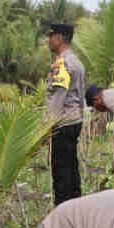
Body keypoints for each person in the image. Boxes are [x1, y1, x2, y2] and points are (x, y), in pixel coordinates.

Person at [44, 21, 85, 205]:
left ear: (59, 38)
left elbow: (58, 98)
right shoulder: (77, 62)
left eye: (51, 36)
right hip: (74, 120)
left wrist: (46, 127)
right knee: (71, 170)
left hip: (62, 123)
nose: (49, 40)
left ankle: (62, 211)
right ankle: (76, 207)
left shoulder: (63, 64)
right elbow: (80, 95)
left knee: (61, 173)